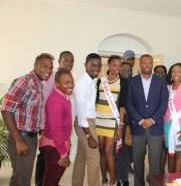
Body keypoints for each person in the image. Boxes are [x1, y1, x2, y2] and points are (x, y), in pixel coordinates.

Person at [1, 53, 54, 186]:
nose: (48, 70)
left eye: (50, 67)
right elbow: (6, 109)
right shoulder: (24, 82)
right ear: (35, 65)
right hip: (21, 137)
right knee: (22, 180)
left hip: (30, 137)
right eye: (44, 66)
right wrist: (18, 140)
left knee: (21, 176)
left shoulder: (38, 84)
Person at [126, 54, 169, 186]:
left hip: (155, 127)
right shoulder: (132, 82)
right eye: (144, 63)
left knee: (155, 161)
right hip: (137, 127)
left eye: (150, 63)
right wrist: (140, 120)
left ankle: (154, 184)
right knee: (138, 160)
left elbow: (163, 104)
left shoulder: (160, 81)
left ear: (152, 64)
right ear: (140, 64)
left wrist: (152, 120)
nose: (147, 65)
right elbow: (129, 104)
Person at [35, 51, 74, 186]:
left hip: (58, 140)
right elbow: (56, 129)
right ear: (57, 84)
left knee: (53, 175)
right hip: (53, 143)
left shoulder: (63, 95)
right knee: (51, 176)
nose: (71, 84)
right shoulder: (56, 101)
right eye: (67, 82)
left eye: (72, 81)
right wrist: (63, 153)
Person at [95, 55, 128, 186]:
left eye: (119, 65)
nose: (117, 68)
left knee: (109, 151)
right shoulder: (100, 81)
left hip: (112, 121)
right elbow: (96, 100)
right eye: (114, 65)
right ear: (108, 65)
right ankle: (103, 177)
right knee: (101, 150)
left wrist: (120, 126)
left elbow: (122, 106)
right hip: (99, 120)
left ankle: (113, 179)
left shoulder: (123, 82)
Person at [72, 53, 101, 186]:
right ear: (85, 65)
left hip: (86, 122)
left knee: (81, 157)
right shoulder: (81, 84)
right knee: (94, 158)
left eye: (99, 65)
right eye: (93, 65)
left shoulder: (92, 80)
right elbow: (82, 114)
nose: (97, 68)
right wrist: (89, 135)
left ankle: (76, 183)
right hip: (85, 123)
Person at [163, 63, 181, 173]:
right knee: (170, 152)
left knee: (179, 153)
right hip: (167, 124)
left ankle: (177, 178)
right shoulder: (166, 88)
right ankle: (170, 176)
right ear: (170, 73)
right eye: (174, 71)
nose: (176, 74)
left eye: (179, 71)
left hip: (180, 124)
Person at [115, 61, 133, 186]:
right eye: (124, 69)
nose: (127, 72)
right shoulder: (116, 83)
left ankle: (123, 176)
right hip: (118, 121)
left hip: (130, 121)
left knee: (127, 150)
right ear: (119, 70)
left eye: (129, 70)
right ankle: (119, 179)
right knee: (118, 151)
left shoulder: (132, 84)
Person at [153, 65, 168, 173]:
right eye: (158, 72)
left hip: (167, 120)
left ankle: (161, 170)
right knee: (155, 148)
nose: (160, 74)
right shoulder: (151, 86)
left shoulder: (170, 87)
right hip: (155, 121)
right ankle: (155, 170)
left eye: (162, 72)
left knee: (164, 148)